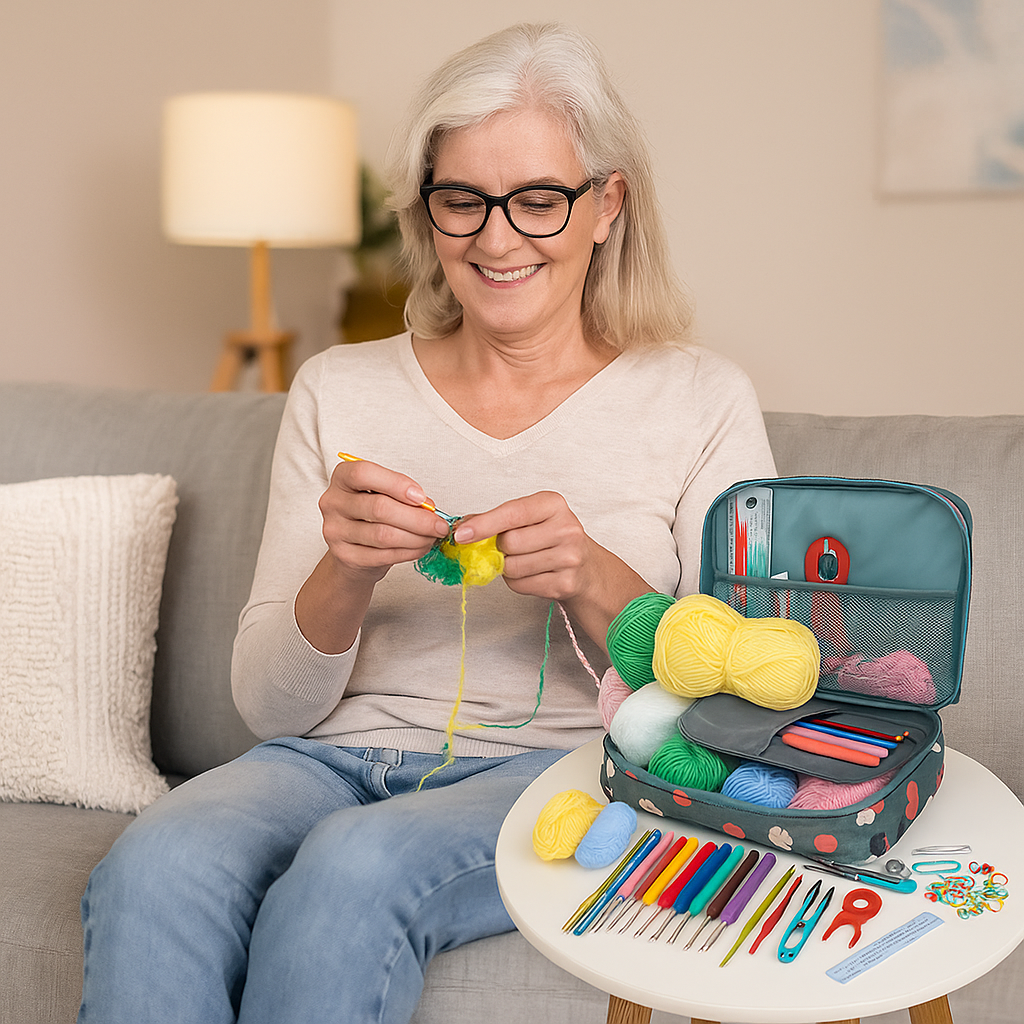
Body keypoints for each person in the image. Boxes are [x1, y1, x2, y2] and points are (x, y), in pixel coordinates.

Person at [78, 21, 776, 1024]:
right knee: (154, 864)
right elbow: (271, 713)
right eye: (464, 200)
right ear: (428, 207)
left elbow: (735, 702)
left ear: (605, 205)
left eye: (538, 199)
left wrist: (592, 576)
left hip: (561, 766)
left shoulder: (699, 397)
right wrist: (344, 570)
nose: (496, 238)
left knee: (351, 873)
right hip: (322, 759)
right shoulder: (335, 388)